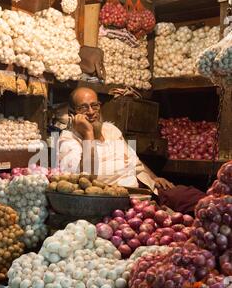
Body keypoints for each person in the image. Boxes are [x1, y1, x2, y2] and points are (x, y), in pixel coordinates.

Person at [58, 87, 205, 213]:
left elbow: (133, 160)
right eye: (83, 108)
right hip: (115, 200)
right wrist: (87, 134)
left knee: (198, 200)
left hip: (144, 190)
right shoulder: (68, 140)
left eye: (94, 105)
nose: (91, 112)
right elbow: (85, 179)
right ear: (72, 114)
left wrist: (154, 178)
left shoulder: (111, 129)